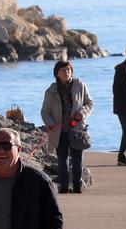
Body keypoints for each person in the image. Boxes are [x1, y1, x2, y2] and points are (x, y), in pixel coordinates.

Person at [40, 59, 93, 193]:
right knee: (62, 161)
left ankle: (77, 185)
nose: (67, 72)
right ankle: (64, 187)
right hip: (59, 131)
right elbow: (45, 111)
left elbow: (90, 103)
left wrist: (81, 114)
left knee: (77, 161)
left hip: (77, 129)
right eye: (63, 70)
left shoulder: (79, 85)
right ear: (57, 73)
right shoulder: (51, 90)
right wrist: (50, 123)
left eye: (69, 69)